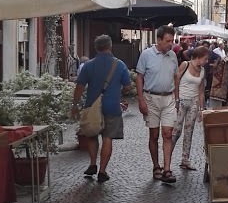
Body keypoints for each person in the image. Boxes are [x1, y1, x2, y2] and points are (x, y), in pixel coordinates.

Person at [71, 35, 132, 183]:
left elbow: (79, 87)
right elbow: (128, 87)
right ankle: (102, 171)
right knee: (107, 138)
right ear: (110, 46)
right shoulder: (120, 64)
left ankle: (92, 164)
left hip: (92, 106)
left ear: (96, 48)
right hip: (112, 106)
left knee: (92, 136)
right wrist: (120, 93)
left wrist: (74, 105)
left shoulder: (89, 65)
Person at [135, 25, 179, 185]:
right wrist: (140, 99)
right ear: (158, 40)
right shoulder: (146, 55)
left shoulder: (173, 55)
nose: (170, 44)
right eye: (168, 41)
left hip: (168, 99)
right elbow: (139, 77)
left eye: (172, 41)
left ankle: (167, 169)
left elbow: (176, 78)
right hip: (151, 98)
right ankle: (156, 166)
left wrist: (177, 99)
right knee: (154, 135)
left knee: (167, 134)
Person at [171, 44, 208, 170]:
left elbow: (201, 91)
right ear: (199, 57)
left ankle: (185, 159)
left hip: (194, 102)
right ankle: (167, 157)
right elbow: (176, 81)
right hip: (181, 100)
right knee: (176, 131)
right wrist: (176, 99)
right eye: (205, 58)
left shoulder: (202, 71)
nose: (206, 61)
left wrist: (201, 109)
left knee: (189, 130)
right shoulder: (185, 65)